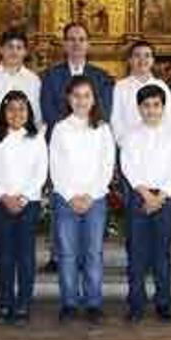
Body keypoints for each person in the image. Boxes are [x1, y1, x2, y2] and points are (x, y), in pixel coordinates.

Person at [40, 21, 114, 273]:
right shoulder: (51, 76)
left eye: (81, 39)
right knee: (61, 197)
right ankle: (57, 254)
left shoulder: (101, 77)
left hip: (92, 146)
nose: (76, 44)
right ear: (64, 44)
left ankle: (88, 255)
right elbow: (48, 109)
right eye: (71, 39)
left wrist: (83, 124)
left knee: (91, 201)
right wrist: (69, 126)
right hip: (61, 147)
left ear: (88, 44)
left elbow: (104, 110)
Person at [0, 29, 42, 272]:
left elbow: (36, 115)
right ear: (0, 49)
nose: (14, 51)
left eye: (19, 47)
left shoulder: (33, 80)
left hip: (23, 147)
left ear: (25, 51)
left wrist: (30, 141)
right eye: (9, 46)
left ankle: (11, 257)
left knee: (15, 201)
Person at [50, 76, 115, 325]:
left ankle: (93, 303)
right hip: (66, 199)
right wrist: (70, 195)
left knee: (92, 253)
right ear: (69, 98)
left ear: (93, 99)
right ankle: (69, 302)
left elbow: (106, 165)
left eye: (86, 95)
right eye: (76, 95)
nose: (81, 100)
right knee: (67, 253)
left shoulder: (102, 128)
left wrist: (91, 194)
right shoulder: (60, 128)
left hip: (95, 199)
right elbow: (55, 165)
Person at [0, 91, 48, 326]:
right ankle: (5, 303)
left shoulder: (36, 138)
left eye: (22, 109)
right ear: (3, 112)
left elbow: (40, 171)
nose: (16, 113)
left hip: (27, 203)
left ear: (28, 112)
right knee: (6, 256)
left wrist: (22, 197)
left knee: (25, 256)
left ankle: (23, 305)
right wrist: (3, 196)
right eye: (11, 109)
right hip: (1, 203)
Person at [121, 84, 171, 323]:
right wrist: (146, 194)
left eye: (156, 105)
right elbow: (128, 165)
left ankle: (163, 303)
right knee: (137, 254)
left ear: (163, 107)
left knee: (162, 254)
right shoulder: (131, 135)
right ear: (139, 108)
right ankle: (136, 303)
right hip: (139, 196)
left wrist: (161, 195)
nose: (151, 110)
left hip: (164, 198)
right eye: (146, 106)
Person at [111, 41, 171, 145]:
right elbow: (116, 119)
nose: (142, 60)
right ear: (130, 60)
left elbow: (169, 117)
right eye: (137, 56)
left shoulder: (161, 86)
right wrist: (124, 143)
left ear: (153, 60)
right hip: (130, 145)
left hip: (158, 144)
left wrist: (163, 142)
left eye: (147, 56)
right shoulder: (121, 87)